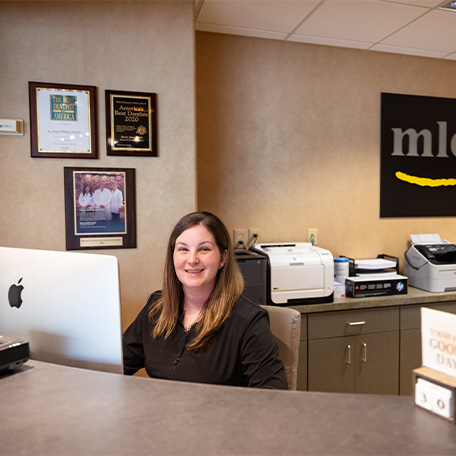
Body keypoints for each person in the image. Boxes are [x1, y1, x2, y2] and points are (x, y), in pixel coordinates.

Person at [122, 211, 288, 389]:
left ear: (222, 258)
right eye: (183, 249)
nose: (192, 260)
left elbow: (273, 396)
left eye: (204, 249)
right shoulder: (156, 308)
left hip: (219, 415)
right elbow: (117, 365)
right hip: (160, 413)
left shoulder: (248, 322)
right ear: (173, 256)